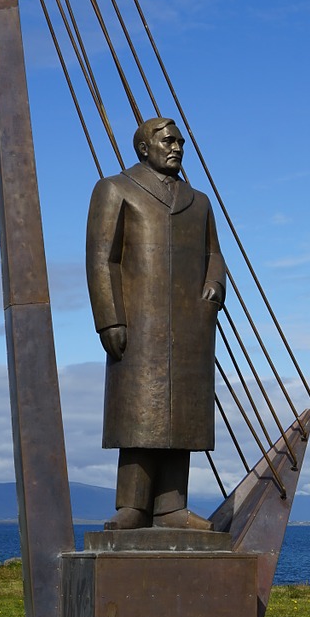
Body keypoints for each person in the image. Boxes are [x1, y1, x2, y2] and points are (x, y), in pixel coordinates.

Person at [86, 116, 225, 529]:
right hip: (139, 322)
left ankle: (171, 508)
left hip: (189, 325)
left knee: (181, 417)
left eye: (180, 141)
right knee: (139, 416)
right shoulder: (115, 189)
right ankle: (132, 506)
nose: (177, 147)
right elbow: (101, 257)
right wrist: (109, 319)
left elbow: (213, 254)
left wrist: (214, 287)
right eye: (167, 141)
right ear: (144, 148)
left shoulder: (198, 202)